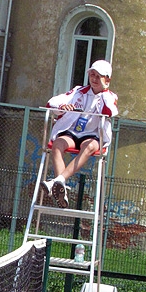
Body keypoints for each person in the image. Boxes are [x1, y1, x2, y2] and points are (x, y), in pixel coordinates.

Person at [41, 60, 118, 208]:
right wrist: (63, 107)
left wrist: (103, 91)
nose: (94, 79)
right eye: (92, 75)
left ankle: (57, 181)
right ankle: (61, 186)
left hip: (93, 135)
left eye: (99, 76)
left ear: (107, 79)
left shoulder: (110, 96)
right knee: (57, 144)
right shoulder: (78, 91)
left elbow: (109, 111)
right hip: (72, 132)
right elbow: (51, 103)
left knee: (89, 147)